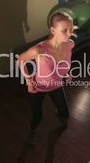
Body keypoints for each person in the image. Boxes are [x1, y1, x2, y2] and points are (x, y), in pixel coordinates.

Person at [17, 12, 75, 146]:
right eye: (64, 30)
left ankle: (61, 118)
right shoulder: (39, 50)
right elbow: (20, 60)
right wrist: (28, 81)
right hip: (38, 88)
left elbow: (63, 63)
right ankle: (32, 131)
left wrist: (66, 73)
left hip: (56, 86)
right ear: (53, 30)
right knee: (37, 116)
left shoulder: (70, 44)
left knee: (65, 113)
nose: (69, 34)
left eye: (71, 30)